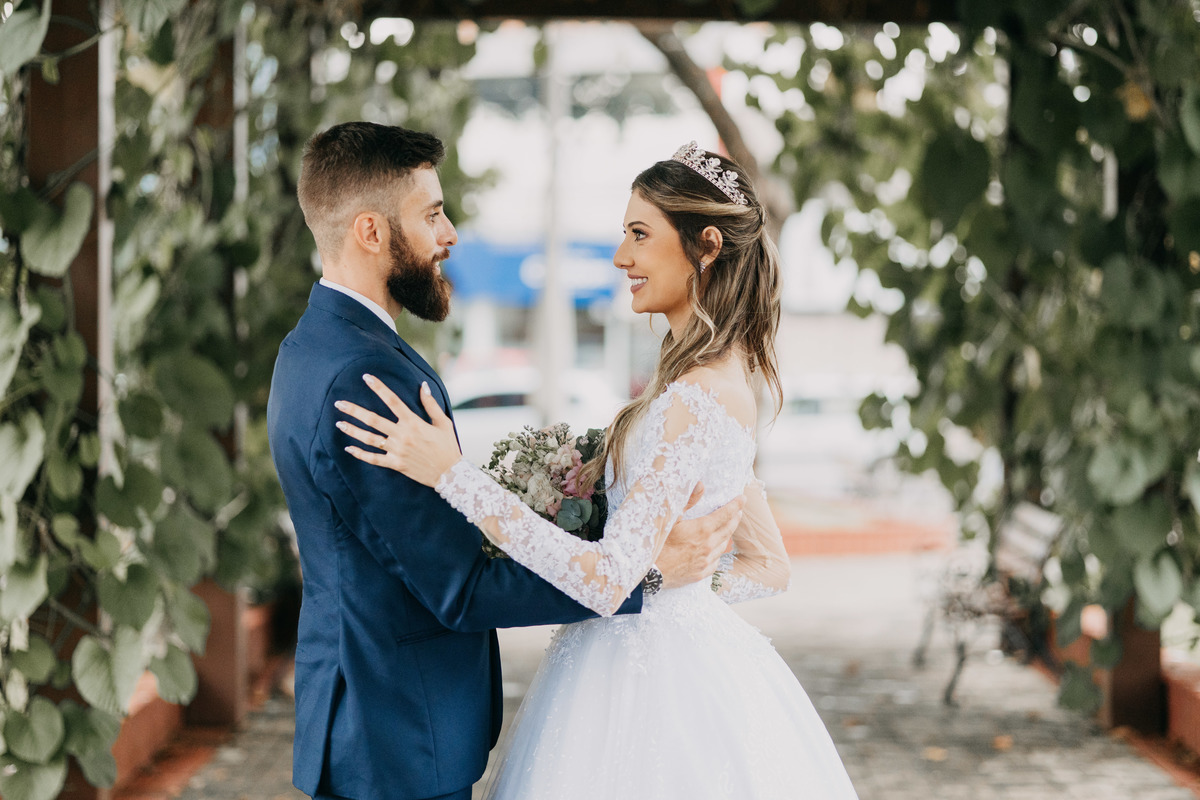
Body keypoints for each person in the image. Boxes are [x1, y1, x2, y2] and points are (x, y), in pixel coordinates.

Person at [338, 142, 861, 799]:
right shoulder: (723, 381)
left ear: (705, 247)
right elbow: (769, 565)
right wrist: (680, 588)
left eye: (639, 235)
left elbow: (612, 579)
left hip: (645, 689)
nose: (621, 257)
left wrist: (453, 476)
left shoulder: (695, 398)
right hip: (678, 654)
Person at [266, 123, 744, 800]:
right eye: (432, 215)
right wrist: (645, 575)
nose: (450, 234)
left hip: (368, 717)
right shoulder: (366, 378)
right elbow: (459, 588)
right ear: (370, 231)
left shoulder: (312, 347)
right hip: (395, 734)